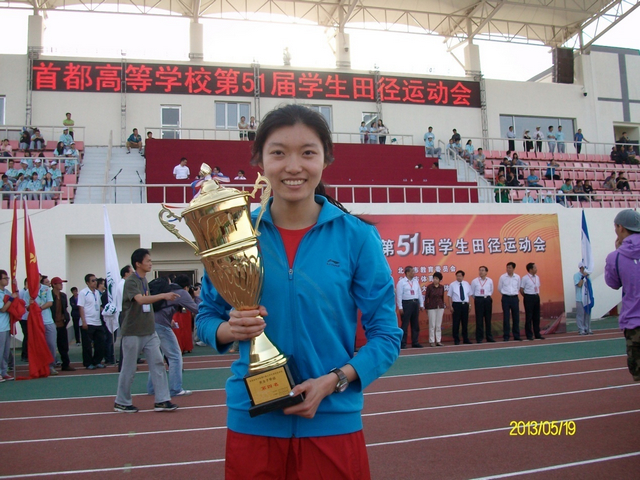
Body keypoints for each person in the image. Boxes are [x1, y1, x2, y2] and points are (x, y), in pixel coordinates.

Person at [196, 104, 401, 478]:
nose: (293, 167)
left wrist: (335, 380)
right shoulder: (235, 235)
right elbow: (206, 318)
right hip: (253, 420)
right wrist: (229, 329)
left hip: (333, 421)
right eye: (278, 153)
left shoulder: (357, 237)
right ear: (260, 161)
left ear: (326, 159)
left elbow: (387, 336)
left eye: (308, 153)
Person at [115, 248, 180, 413]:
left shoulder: (144, 280)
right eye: (148, 261)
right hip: (133, 331)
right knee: (129, 368)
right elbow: (140, 300)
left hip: (149, 331)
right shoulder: (131, 281)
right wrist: (163, 295)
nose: (151, 263)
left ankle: (162, 400)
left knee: (158, 364)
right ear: (138, 264)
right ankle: (121, 401)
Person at [147, 275, 199, 397]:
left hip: (150, 323)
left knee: (157, 357)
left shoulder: (167, 290)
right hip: (161, 326)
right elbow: (197, 309)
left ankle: (152, 388)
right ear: (186, 287)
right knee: (175, 356)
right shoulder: (181, 293)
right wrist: (197, 296)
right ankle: (176, 389)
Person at [605, 209, 640, 382]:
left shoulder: (616, 257)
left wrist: (618, 250)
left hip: (634, 323)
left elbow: (613, 283)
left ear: (621, 228)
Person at [78, 273, 106, 370]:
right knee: (87, 345)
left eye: (96, 280)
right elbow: (81, 307)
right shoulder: (83, 293)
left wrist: (107, 311)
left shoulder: (97, 293)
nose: (95, 282)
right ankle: (88, 363)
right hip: (88, 322)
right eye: (93, 280)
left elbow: (99, 306)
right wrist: (84, 321)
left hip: (97, 322)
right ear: (87, 282)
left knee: (100, 343)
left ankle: (97, 361)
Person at [33, 275, 58, 375]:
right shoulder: (28, 292)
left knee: (51, 344)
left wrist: (39, 309)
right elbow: (27, 307)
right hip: (36, 321)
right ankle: (40, 366)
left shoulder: (46, 289)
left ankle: (51, 366)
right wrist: (31, 305)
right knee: (38, 346)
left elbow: (50, 302)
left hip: (48, 321)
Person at [396, 266, 425, 349]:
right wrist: (400, 307)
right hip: (406, 304)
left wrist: (421, 304)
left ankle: (415, 342)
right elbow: (399, 295)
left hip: (415, 303)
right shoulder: (401, 282)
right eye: (412, 271)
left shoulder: (415, 281)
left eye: (413, 271)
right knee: (405, 324)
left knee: (415, 324)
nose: (413, 273)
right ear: (407, 272)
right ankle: (403, 343)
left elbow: (419, 293)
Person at [51, 277, 75, 371]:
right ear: (54, 285)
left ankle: (65, 364)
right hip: (52, 323)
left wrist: (66, 318)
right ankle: (51, 364)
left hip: (62, 323)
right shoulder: (50, 295)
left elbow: (64, 308)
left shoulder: (63, 296)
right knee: (51, 345)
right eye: (59, 283)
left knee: (64, 345)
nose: (61, 285)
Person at [520, 263, 544, 340]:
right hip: (528, 297)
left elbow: (537, 287)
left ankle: (537, 334)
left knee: (536, 316)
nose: (536, 269)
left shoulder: (537, 277)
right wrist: (526, 296)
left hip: (536, 296)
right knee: (529, 317)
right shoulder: (525, 278)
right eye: (535, 268)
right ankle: (529, 335)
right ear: (530, 269)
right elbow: (521, 289)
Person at [471, 266, 495, 343]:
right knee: (479, 319)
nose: (481, 272)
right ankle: (479, 338)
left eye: (482, 270)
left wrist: (486, 297)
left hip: (487, 299)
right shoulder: (474, 281)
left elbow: (491, 290)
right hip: (479, 300)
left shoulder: (490, 280)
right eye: (480, 270)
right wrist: (478, 298)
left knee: (488, 319)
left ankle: (489, 337)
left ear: (486, 272)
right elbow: (472, 292)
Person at [0, 270, 17, 381]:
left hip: (6, 326)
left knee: (6, 351)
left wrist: (15, 287)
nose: (7, 280)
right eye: (5, 278)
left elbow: (16, 300)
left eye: (7, 278)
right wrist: (11, 298)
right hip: (0, 327)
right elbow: (3, 309)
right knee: (0, 351)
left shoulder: (6, 291)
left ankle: (4, 371)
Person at [499, 262, 522, 341]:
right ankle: (506, 336)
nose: (508, 269)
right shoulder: (502, 277)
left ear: (513, 268)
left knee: (516, 317)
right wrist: (506, 294)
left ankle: (516, 335)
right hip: (506, 298)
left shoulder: (517, 277)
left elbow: (518, 287)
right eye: (507, 267)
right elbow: (500, 288)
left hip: (514, 298)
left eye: (510, 267)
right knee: (506, 317)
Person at [448, 270, 472, 345]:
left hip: (465, 305)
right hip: (456, 305)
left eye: (460, 276)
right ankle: (456, 339)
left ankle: (465, 338)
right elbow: (449, 296)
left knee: (465, 322)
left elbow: (469, 295)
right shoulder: (452, 285)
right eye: (457, 276)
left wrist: (470, 305)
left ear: (463, 276)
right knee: (456, 323)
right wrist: (450, 306)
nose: (458, 277)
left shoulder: (466, 284)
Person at [424, 271, 445, 347]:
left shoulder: (441, 287)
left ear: (440, 280)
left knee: (438, 325)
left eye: (436, 278)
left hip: (440, 307)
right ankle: (432, 340)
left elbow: (442, 297)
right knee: (432, 325)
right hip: (431, 307)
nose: (435, 280)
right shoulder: (429, 287)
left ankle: (438, 340)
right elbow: (426, 298)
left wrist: (442, 305)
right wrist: (426, 307)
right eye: (434, 278)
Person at [574, 262, 593, 335]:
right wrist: (582, 277)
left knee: (587, 314)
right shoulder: (576, 275)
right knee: (580, 314)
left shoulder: (587, 276)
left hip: (586, 298)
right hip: (579, 298)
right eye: (583, 268)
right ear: (581, 268)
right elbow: (579, 285)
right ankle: (581, 329)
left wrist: (587, 277)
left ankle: (587, 328)